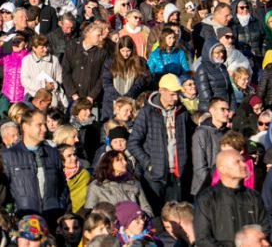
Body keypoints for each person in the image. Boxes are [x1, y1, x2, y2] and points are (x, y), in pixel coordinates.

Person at [128, 74, 191, 212]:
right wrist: (148, 164)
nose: (176, 98)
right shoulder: (146, 113)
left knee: (175, 215)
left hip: (177, 173)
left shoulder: (182, 112)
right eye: (173, 94)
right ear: (161, 91)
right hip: (154, 175)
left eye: (177, 94)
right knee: (156, 215)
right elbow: (133, 143)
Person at [1, 108, 70, 226]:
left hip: (52, 219)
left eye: (45, 124)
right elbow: (3, 191)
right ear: (25, 127)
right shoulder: (9, 156)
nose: (44, 128)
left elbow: (62, 186)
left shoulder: (52, 153)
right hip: (23, 221)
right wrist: (12, 215)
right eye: (39, 125)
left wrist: (60, 206)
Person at [194, 149, 271, 247]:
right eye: (237, 162)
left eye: (243, 161)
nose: (244, 165)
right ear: (222, 168)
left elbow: (265, 228)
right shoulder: (207, 199)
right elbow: (203, 239)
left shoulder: (254, 197)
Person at [83, 150, 152, 215]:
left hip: (135, 223)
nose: (125, 162)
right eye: (119, 160)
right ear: (109, 163)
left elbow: (146, 209)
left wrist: (141, 218)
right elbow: (90, 212)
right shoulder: (96, 186)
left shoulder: (134, 183)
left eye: (125, 159)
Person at [191, 97, 231, 195]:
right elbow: (199, 168)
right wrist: (214, 186)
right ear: (212, 111)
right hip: (205, 189)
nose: (227, 113)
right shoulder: (201, 133)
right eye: (223, 109)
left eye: (228, 109)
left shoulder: (228, 133)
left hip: (225, 188)